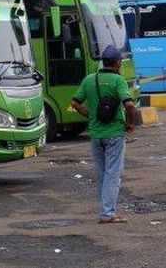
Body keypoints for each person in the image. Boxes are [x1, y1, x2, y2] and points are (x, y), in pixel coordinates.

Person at [70, 45, 138, 223]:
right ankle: (107, 213)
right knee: (113, 173)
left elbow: (75, 103)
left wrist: (90, 115)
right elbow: (129, 105)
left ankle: (105, 210)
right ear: (117, 63)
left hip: (95, 133)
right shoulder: (118, 80)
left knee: (101, 172)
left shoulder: (89, 79)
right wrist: (130, 123)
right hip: (115, 132)